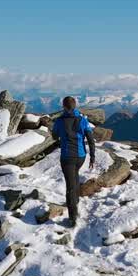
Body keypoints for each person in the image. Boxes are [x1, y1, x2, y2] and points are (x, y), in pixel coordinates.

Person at [51, 95, 95, 225]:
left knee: (70, 185)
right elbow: (91, 139)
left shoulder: (59, 121)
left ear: (64, 107)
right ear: (75, 106)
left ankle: (72, 217)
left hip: (67, 157)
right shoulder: (82, 120)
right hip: (81, 157)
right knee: (74, 177)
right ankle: (75, 201)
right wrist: (92, 157)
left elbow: (54, 136)